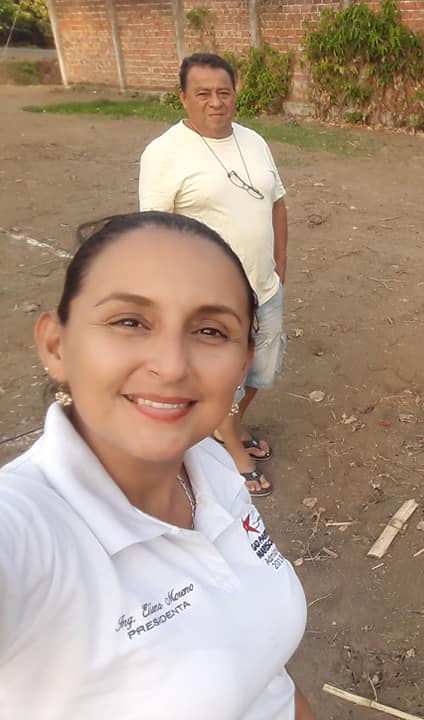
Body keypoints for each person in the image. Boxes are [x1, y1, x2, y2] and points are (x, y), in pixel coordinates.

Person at [0, 212, 315, 718]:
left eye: (210, 331)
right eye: (129, 322)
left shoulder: (208, 464)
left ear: (242, 363)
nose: (170, 367)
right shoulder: (27, 533)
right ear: (56, 346)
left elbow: (268, 672)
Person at [140, 52, 287, 497]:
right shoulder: (164, 154)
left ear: (235, 94)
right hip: (211, 300)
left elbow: (277, 203)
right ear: (183, 97)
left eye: (224, 92)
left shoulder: (254, 140)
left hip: (265, 288)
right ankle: (235, 454)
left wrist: (279, 268)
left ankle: (229, 428)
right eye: (203, 93)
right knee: (223, 379)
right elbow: (156, 235)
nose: (216, 102)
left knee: (260, 372)